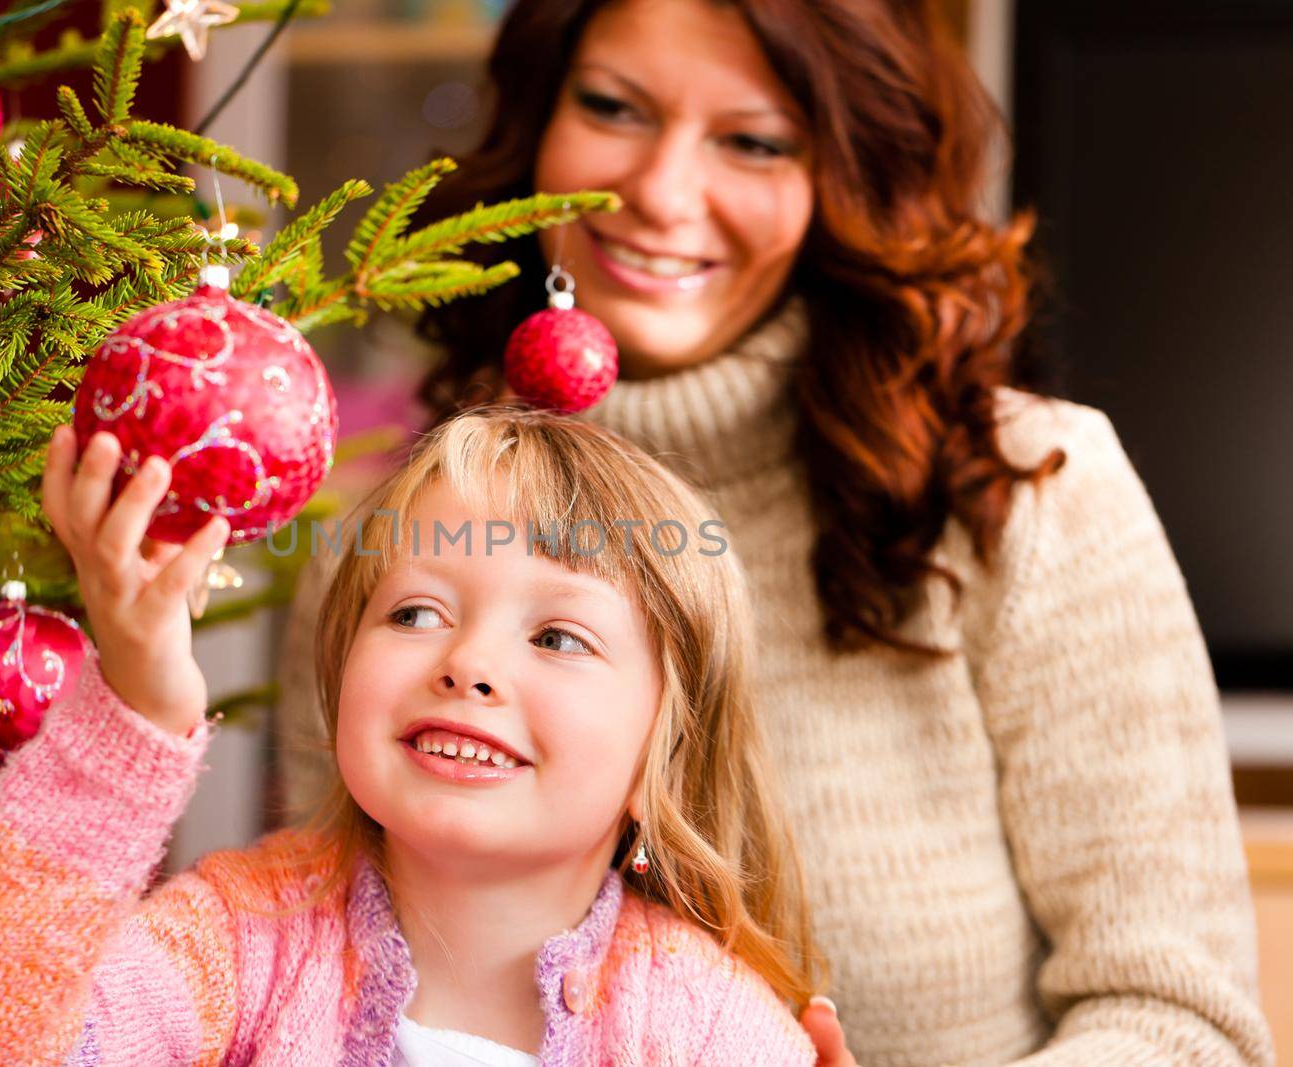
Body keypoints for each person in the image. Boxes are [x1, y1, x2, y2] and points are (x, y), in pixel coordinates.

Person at [271, 1, 1274, 1064]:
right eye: (613, 108)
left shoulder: (1024, 491)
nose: (660, 192)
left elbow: (1184, 1024)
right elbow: (302, 967)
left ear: (846, 179)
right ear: (535, 127)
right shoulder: (396, 539)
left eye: (753, 141)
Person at [0, 410, 825, 1065]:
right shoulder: (238, 943)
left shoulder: (713, 1028)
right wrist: (133, 715)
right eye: (414, 612)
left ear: (668, 744)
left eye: (557, 636)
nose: (467, 663)